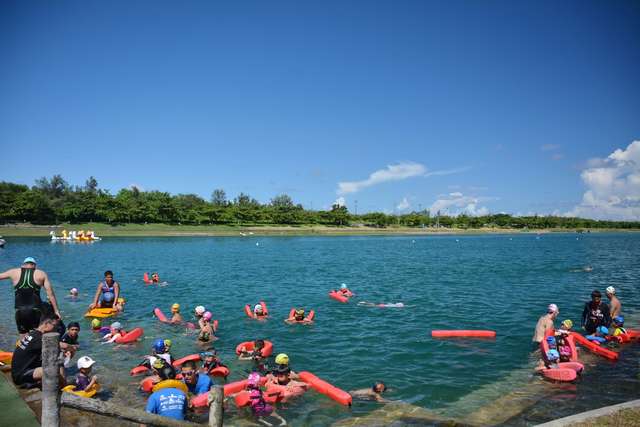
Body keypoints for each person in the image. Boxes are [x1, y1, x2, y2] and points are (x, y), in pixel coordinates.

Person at [0, 257, 63, 336]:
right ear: (35, 266)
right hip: (35, 311)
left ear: (23, 265)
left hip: (20, 311)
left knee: (23, 338)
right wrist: (56, 311)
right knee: (37, 335)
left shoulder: (13, 272)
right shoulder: (41, 273)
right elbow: (50, 294)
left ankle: (22, 347)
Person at [11, 308, 65, 388]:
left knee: (57, 356)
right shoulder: (38, 338)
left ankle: (60, 383)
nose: (56, 329)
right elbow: (64, 345)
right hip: (21, 376)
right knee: (53, 371)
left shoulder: (33, 334)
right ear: (46, 324)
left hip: (20, 370)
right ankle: (64, 385)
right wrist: (72, 347)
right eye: (55, 326)